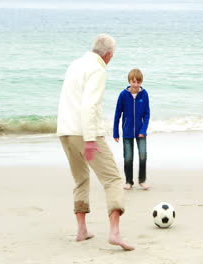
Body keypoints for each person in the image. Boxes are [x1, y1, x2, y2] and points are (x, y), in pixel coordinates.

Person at [57, 33, 134, 250]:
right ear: (108, 55)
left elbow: (68, 99)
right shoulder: (98, 69)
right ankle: (115, 232)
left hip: (65, 131)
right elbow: (89, 106)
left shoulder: (75, 64)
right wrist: (90, 140)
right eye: (113, 55)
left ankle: (82, 230)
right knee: (113, 180)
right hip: (85, 132)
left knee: (81, 180)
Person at [113, 68, 150, 190]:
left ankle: (142, 180)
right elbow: (117, 114)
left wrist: (143, 130)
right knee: (128, 157)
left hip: (141, 131)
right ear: (129, 81)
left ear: (141, 82)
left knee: (143, 155)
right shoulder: (123, 95)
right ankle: (129, 181)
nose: (135, 84)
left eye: (138, 82)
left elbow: (147, 114)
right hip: (127, 131)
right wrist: (115, 132)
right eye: (133, 81)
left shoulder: (144, 94)